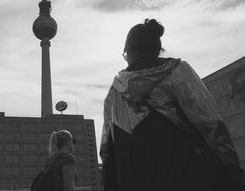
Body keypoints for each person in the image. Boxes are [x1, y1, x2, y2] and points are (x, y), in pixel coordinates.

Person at [100, 19, 244, 191]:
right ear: (157, 50)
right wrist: (233, 175)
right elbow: (212, 126)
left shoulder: (113, 94)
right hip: (187, 178)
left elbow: (107, 153)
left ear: (128, 52)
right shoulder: (178, 72)